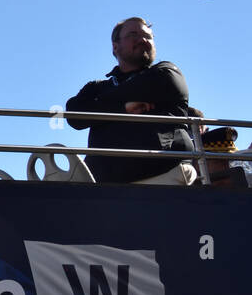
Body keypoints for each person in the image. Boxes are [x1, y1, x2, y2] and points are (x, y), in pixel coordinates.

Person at [64, 18, 195, 184]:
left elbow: (154, 85)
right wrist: (123, 107)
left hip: (161, 175)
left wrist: (97, 107)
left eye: (148, 36)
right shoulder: (96, 87)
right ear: (115, 46)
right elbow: (74, 116)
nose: (143, 40)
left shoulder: (166, 72)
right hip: (104, 187)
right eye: (133, 35)